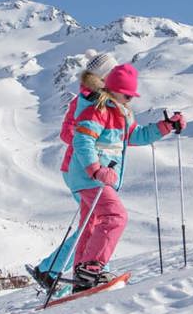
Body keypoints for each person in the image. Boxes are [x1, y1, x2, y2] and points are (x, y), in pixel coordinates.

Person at [66, 63, 184, 290]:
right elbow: (82, 141)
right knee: (115, 216)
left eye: (132, 96)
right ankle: (92, 268)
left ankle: (82, 279)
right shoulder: (96, 112)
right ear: (113, 90)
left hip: (95, 178)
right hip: (89, 176)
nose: (130, 99)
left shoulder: (122, 115)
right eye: (127, 95)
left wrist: (166, 126)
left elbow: (137, 136)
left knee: (91, 224)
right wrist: (96, 169)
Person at [26, 49, 118, 292]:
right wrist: (89, 135)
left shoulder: (110, 100)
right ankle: (77, 270)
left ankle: (56, 270)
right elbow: (67, 133)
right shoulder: (83, 102)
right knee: (97, 221)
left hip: (93, 170)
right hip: (80, 170)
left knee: (91, 222)